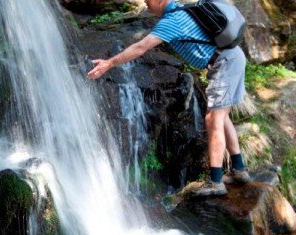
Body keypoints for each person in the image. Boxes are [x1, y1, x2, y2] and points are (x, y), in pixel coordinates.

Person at [87, 0, 252, 196]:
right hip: (229, 59)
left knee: (212, 119)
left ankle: (216, 181)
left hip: (225, 63)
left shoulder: (172, 21)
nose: (146, 6)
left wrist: (109, 63)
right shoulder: (182, 12)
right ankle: (239, 170)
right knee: (221, 118)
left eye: (148, 2)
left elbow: (141, 47)